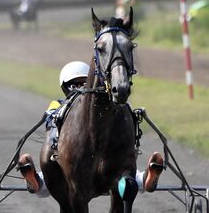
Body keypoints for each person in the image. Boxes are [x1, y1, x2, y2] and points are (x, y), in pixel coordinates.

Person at [17, 61, 164, 197]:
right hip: (97, 163)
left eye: (83, 84)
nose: (81, 89)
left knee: (55, 177)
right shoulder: (60, 105)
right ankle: (144, 178)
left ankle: (37, 181)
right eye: (75, 85)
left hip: (80, 164)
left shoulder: (61, 106)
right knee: (123, 174)